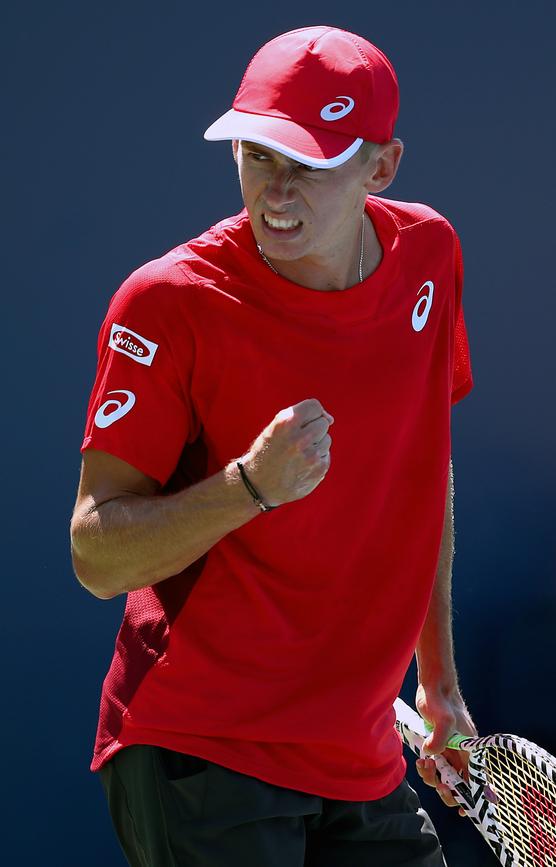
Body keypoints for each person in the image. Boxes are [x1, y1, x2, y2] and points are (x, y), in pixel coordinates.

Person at [70, 24, 477, 867]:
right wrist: (248, 486)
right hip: (202, 750)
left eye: (310, 165)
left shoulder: (429, 257)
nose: (277, 191)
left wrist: (438, 678)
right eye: (259, 156)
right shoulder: (166, 304)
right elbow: (96, 556)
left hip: (358, 751)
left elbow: (422, 463)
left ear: (382, 166)